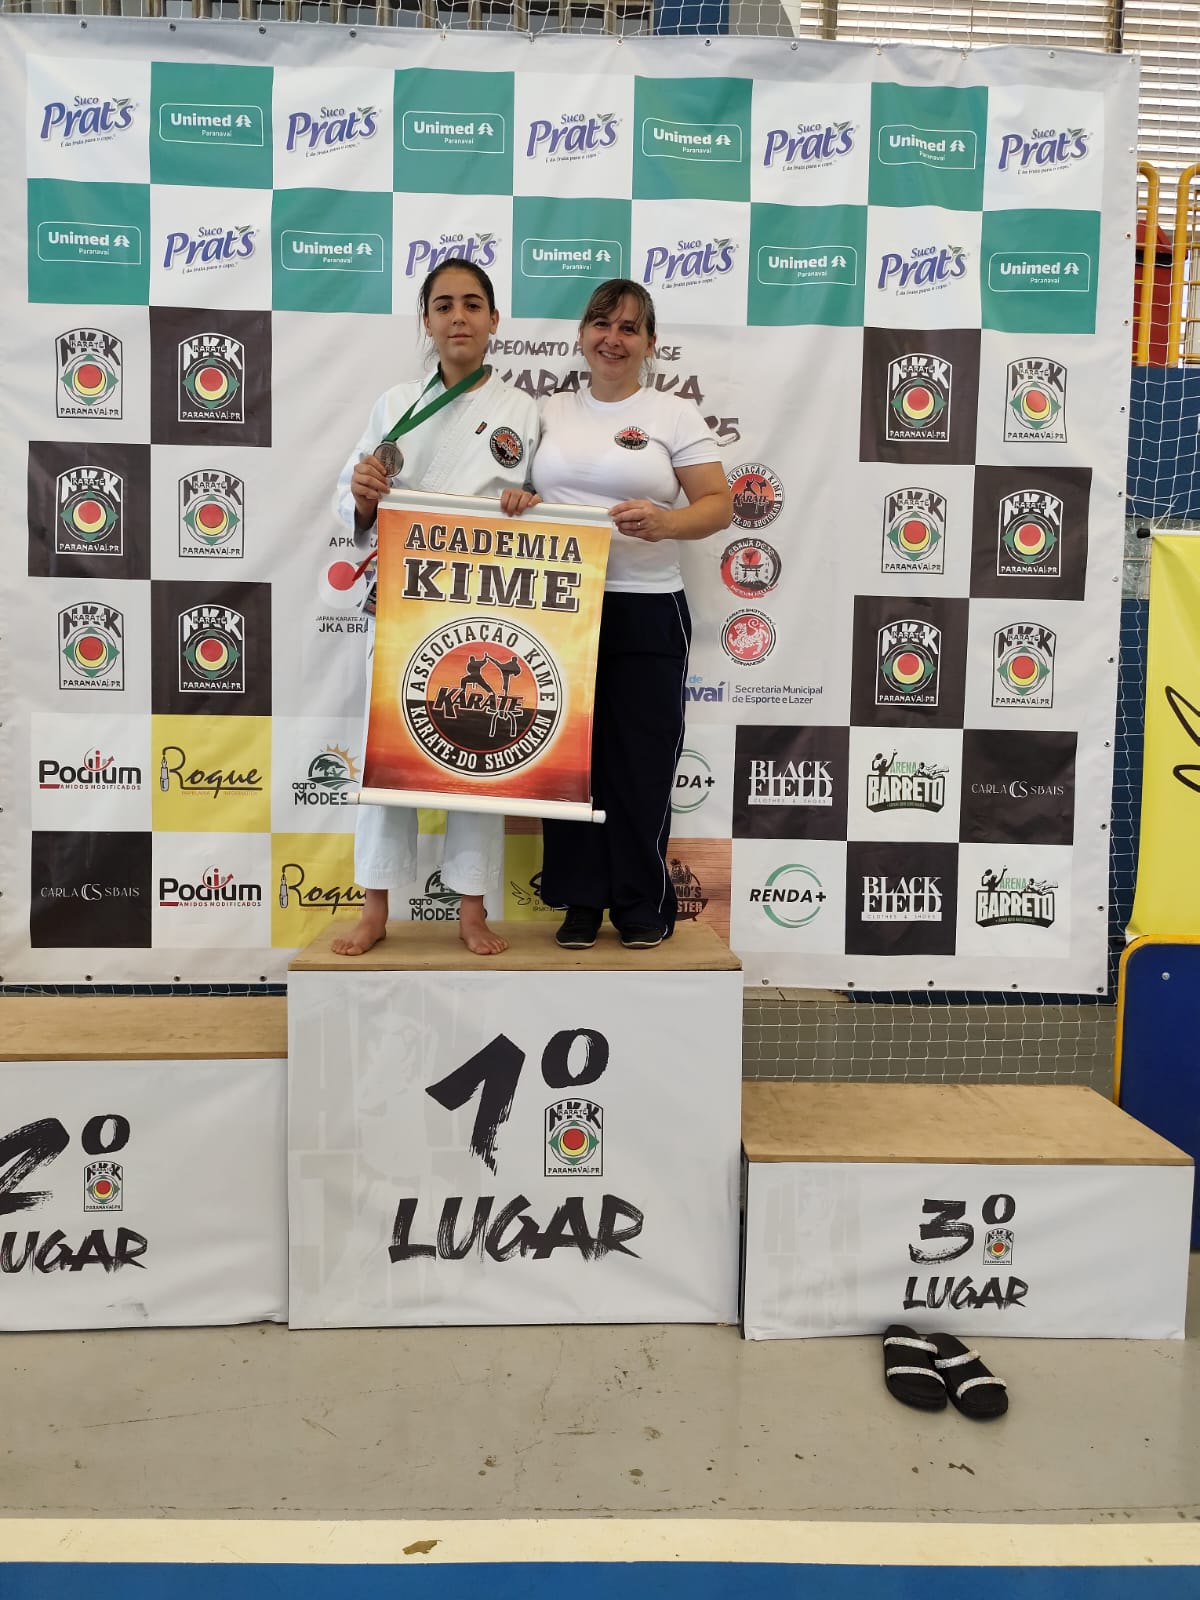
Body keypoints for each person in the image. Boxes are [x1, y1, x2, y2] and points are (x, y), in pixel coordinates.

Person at [331, 259, 539, 957]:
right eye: (444, 305)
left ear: (493, 320)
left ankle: (472, 909)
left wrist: (527, 500)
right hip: (402, 596)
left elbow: (544, 504)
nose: (458, 317)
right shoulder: (394, 404)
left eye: (472, 304)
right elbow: (352, 501)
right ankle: (375, 907)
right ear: (426, 320)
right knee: (388, 752)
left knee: (479, 748)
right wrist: (363, 493)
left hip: (483, 604)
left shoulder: (522, 411)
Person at [530, 279, 733, 950]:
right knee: (566, 762)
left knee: (640, 762)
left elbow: (718, 504)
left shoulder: (673, 414)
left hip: (647, 607)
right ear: (582, 335)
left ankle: (641, 903)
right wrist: (516, 502)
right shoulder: (547, 411)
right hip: (559, 609)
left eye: (628, 328)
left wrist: (668, 522)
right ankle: (580, 901)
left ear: (650, 343)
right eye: (601, 324)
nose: (612, 338)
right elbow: (509, 489)